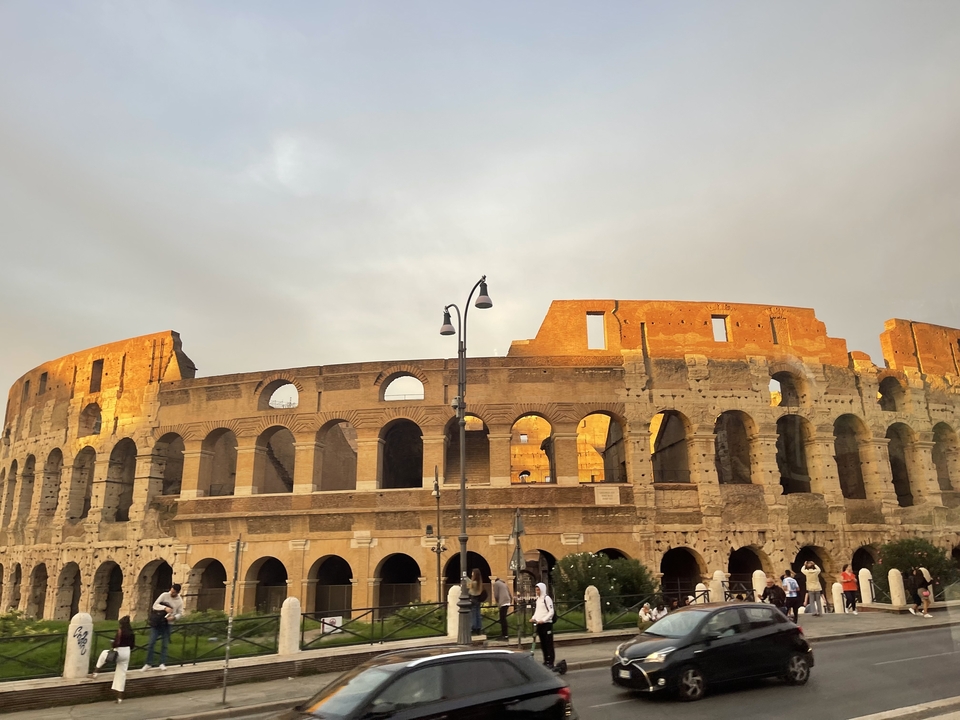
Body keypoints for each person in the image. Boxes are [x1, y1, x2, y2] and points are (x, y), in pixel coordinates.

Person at [91, 615, 135, 703]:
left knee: (104, 654)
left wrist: (112, 643)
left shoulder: (120, 631)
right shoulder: (132, 632)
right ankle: (120, 698)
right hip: (127, 652)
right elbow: (132, 646)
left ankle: (96, 672)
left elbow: (116, 643)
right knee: (121, 675)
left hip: (119, 651)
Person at [143, 583, 183, 670]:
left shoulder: (180, 600)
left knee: (164, 645)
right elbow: (155, 605)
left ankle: (162, 663)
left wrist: (174, 617)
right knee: (151, 643)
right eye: (171, 591)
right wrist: (164, 608)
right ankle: (148, 663)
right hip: (157, 622)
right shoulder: (164, 595)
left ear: (177, 592)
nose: (171, 593)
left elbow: (180, 613)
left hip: (168, 624)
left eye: (173, 593)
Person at [531, 582, 555, 668]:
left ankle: (551, 661)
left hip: (546, 624)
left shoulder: (547, 598)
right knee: (543, 644)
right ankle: (546, 660)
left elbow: (551, 612)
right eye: (536, 589)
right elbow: (537, 612)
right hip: (539, 624)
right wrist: (533, 618)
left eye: (538, 590)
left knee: (548, 643)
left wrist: (544, 620)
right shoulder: (538, 599)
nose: (537, 591)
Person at [468, 569, 484, 635]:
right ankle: (479, 628)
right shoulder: (480, 582)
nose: (471, 573)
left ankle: (474, 628)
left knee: (473, 615)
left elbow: (470, 590)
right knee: (478, 614)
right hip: (478, 600)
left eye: (472, 572)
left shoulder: (473, 583)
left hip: (473, 599)